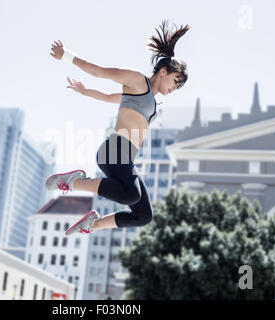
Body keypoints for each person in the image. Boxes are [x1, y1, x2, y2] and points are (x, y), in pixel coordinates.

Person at [45, 20, 190, 235]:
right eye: (175, 80)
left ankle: (92, 224)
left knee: (143, 215)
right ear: (163, 71)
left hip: (125, 157)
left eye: (179, 86)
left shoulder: (149, 98)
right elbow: (99, 71)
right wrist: (66, 56)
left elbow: (108, 97)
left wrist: (86, 92)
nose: (175, 87)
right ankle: (74, 182)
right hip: (115, 149)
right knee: (130, 194)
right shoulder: (137, 81)